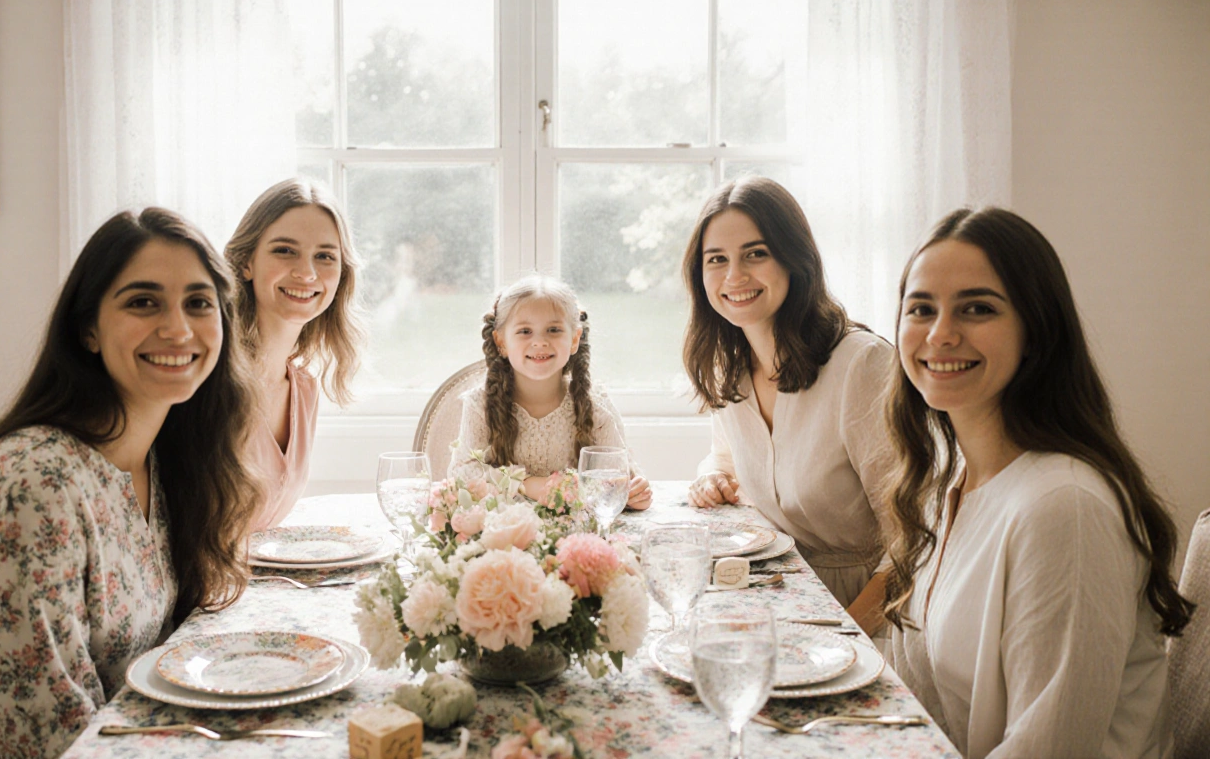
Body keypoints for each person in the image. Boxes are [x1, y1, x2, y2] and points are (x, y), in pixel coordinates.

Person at [0, 209, 260, 758]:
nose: (178, 328)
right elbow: (45, 740)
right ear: (88, 331)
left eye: (198, 302)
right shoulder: (31, 484)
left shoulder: (165, 462)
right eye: (142, 301)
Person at [883, 207, 1192, 759]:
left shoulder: (1063, 507)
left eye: (977, 308)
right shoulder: (951, 480)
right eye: (921, 308)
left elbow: (1049, 749)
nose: (941, 333)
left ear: (1036, 330)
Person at [682, 176, 895, 622]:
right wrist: (711, 478)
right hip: (777, 598)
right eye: (716, 259)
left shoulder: (861, 366)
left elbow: (914, 541)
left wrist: (844, 632)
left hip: (869, 613)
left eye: (756, 253)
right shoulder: (728, 367)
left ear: (794, 258)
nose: (734, 276)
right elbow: (727, 459)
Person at [225, 178, 365, 532]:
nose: (306, 273)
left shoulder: (303, 390)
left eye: (324, 256)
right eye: (285, 250)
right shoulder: (213, 379)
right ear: (246, 262)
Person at [449, 275, 652, 508]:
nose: (540, 342)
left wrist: (634, 491)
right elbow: (462, 475)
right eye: (525, 331)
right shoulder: (480, 404)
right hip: (502, 534)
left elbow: (620, 473)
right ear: (501, 342)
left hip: (576, 534)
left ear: (575, 338)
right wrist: (530, 484)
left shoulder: (596, 405)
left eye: (553, 329)